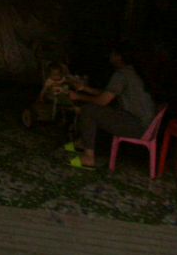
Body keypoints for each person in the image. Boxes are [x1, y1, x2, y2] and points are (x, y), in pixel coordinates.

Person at [66, 41, 155, 169]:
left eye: (112, 54)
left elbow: (102, 100)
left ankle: (88, 158)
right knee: (104, 109)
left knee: (88, 110)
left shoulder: (122, 74)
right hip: (144, 125)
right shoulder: (132, 72)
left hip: (137, 126)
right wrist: (84, 88)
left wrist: (78, 96)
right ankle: (82, 143)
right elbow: (108, 93)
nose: (110, 56)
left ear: (119, 57)